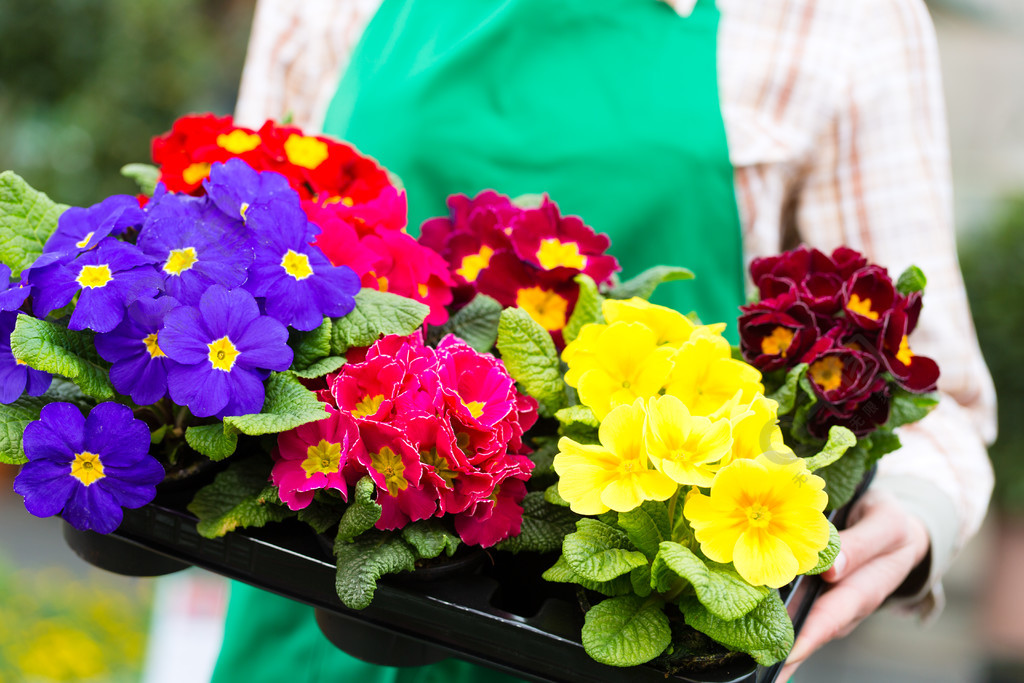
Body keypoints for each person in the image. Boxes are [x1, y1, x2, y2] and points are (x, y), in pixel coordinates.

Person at [217, 1, 997, 680]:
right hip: (325, 610)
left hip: (638, 617)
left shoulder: (844, 18)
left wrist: (913, 510)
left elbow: (929, 401)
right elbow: (238, 261)